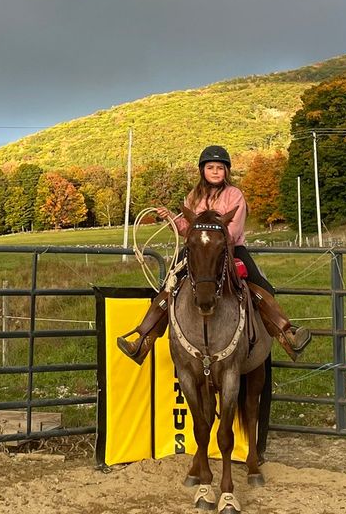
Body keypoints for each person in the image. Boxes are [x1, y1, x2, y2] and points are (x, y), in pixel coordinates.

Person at [117, 145, 313, 364]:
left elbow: (235, 229)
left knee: (261, 286)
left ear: (226, 171)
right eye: (210, 167)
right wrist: (171, 217)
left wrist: (214, 239)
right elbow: (186, 227)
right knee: (168, 287)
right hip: (198, 250)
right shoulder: (194, 196)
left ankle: (287, 335)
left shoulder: (234, 194)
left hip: (229, 248)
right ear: (203, 170)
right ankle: (143, 340)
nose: (215, 171)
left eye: (220, 167)